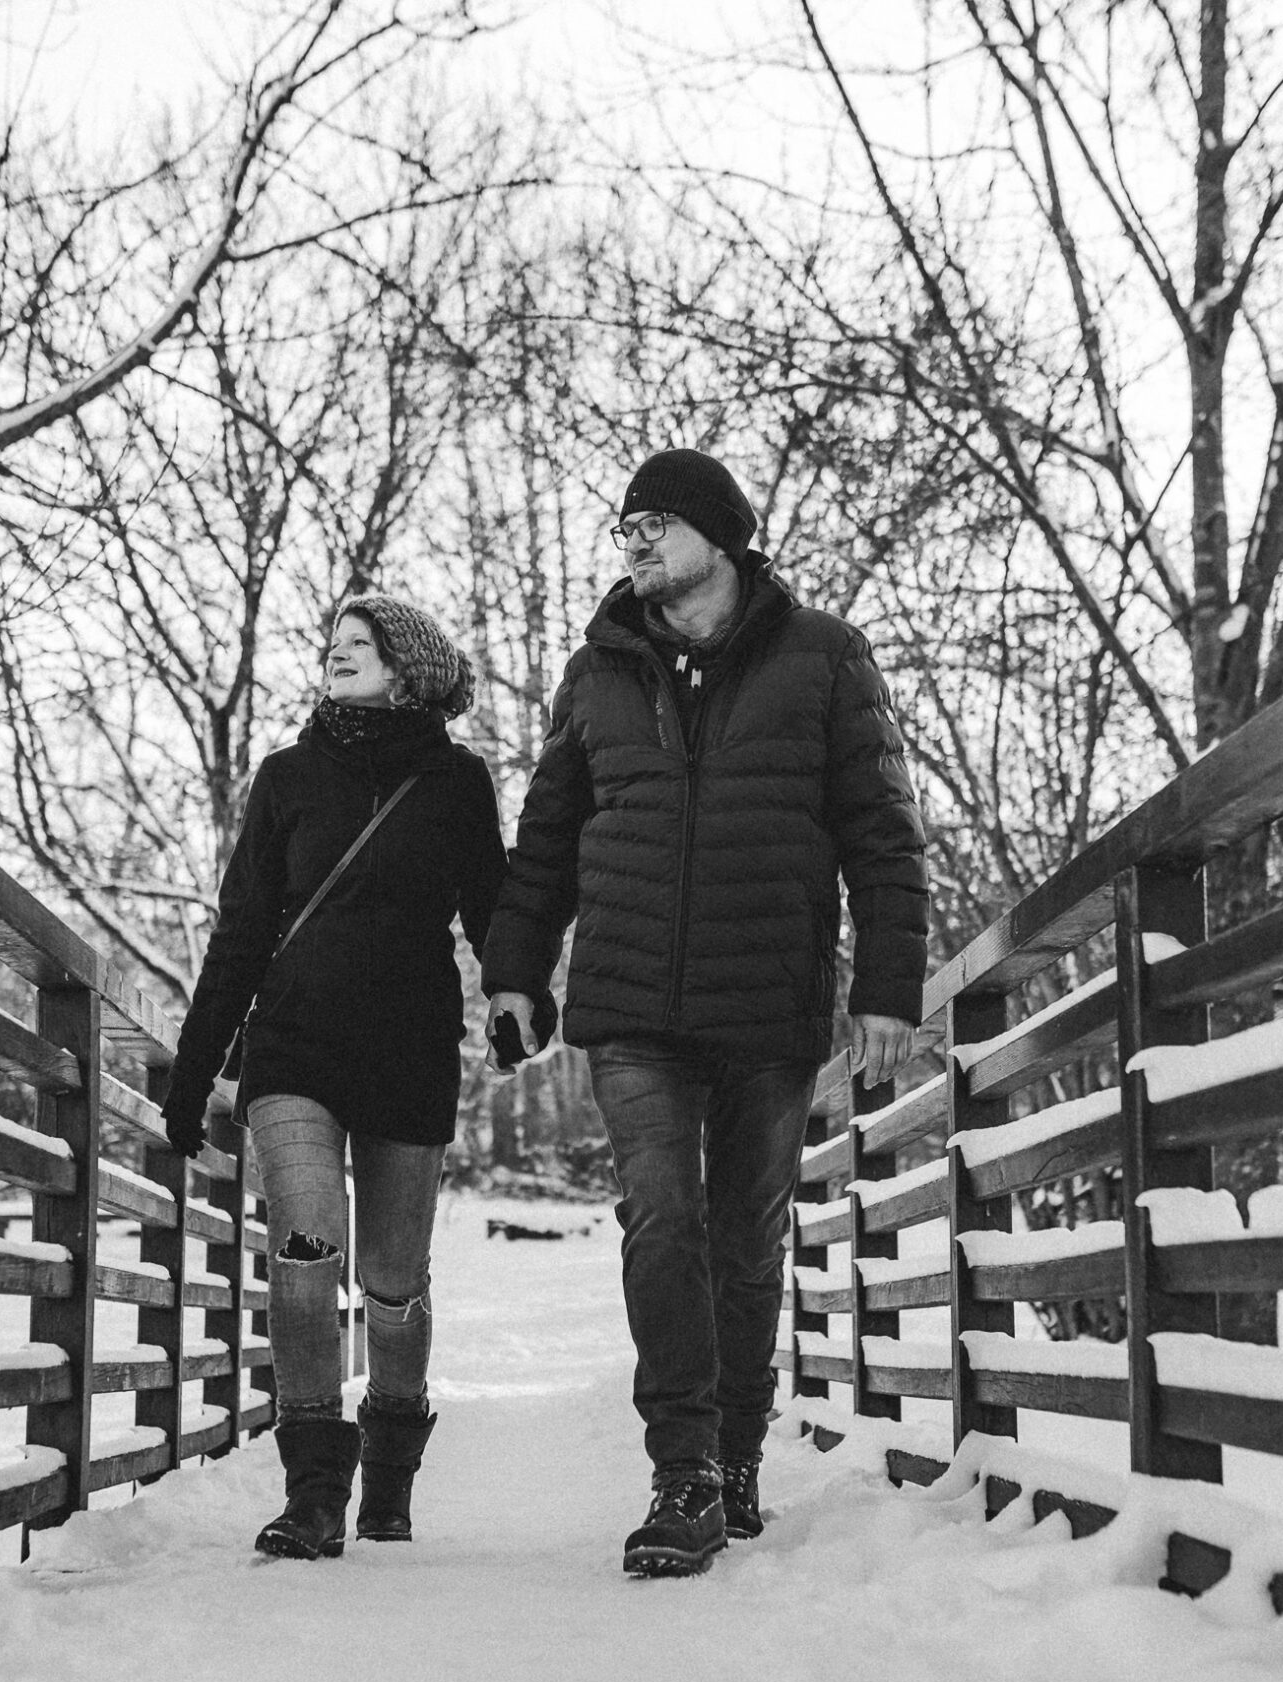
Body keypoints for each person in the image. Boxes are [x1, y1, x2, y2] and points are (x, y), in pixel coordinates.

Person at [482, 447, 926, 1577]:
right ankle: (680, 1471)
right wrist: (515, 971)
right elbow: (546, 840)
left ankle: (734, 1458)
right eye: (623, 525)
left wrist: (887, 987)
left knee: (745, 1238)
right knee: (661, 1219)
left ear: (720, 537)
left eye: (655, 522)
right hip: (630, 1000)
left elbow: (882, 834)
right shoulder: (596, 672)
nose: (632, 540)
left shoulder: (824, 656)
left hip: (767, 998)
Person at [161, 594, 528, 1560]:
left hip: (410, 1052)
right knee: (304, 1248)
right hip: (295, 1050)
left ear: (408, 670)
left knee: (393, 1283)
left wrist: (516, 997)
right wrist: (193, 1074)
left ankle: (391, 1475)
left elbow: (492, 913)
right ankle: (315, 1490)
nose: (338, 653)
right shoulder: (288, 777)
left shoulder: (456, 782)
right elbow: (242, 930)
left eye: (360, 644)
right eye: (333, 643)